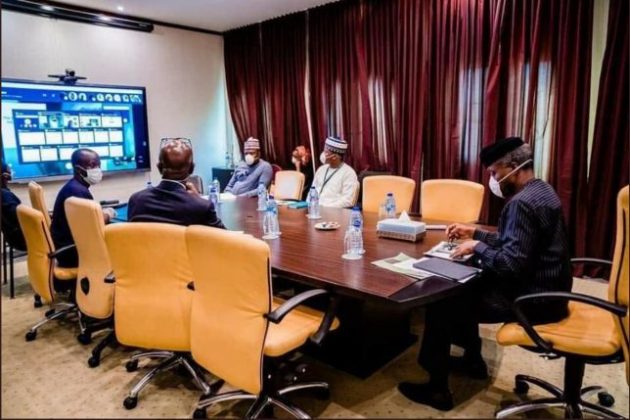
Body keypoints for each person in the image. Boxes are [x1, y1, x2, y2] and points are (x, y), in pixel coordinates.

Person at [398, 137, 573, 411]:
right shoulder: (542, 190)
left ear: (512, 167)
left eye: (494, 172)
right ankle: (473, 361)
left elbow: (510, 264)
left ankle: (437, 389)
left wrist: (476, 246)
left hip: (532, 300)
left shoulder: (521, 204)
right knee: (465, 286)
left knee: (443, 301)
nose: (493, 179)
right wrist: (476, 233)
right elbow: (517, 242)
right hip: (550, 290)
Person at [128, 138, 225, 228]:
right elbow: (226, 237)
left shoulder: (136, 201)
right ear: (191, 169)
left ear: (159, 167)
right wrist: (198, 199)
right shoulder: (202, 207)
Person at [50, 148, 115, 268]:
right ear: (78, 169)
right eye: (92, 165)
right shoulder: (77, 191)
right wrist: (108, 214)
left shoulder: (73, 187)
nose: (98, 169)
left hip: (67, 247)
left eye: (99, 165)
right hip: (73, 253)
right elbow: (95, 226)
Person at [311, 136, 359, 208]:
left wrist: (325, 208)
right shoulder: (321, 169)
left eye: (326, 152)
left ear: (335, 157)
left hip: (334, 211)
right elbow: (312, 191)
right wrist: (308, 205)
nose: (323, 155)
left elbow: (348, 201)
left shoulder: (349, 173)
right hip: (315, 209)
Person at [1, 160, 26, 251]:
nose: (11, 172)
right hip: (22, 239)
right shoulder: (5, 196)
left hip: (12, 237)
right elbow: (22, 219)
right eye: (9, 171)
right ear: (5, 176)